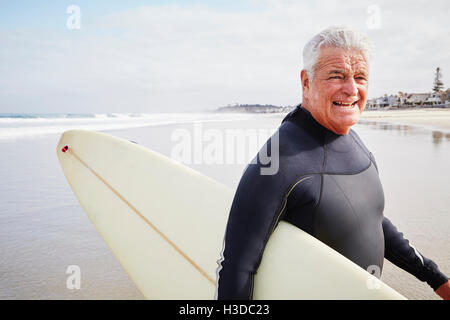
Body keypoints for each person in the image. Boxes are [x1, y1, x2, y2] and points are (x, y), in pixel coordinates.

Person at [215, 26, 450, 300]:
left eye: (360, 77)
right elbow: (237, 268)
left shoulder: (354, 141)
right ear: (306, 82)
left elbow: (370, 219)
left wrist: (436, 279)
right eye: (336, 76)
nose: (351, 89)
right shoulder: (277, 162)